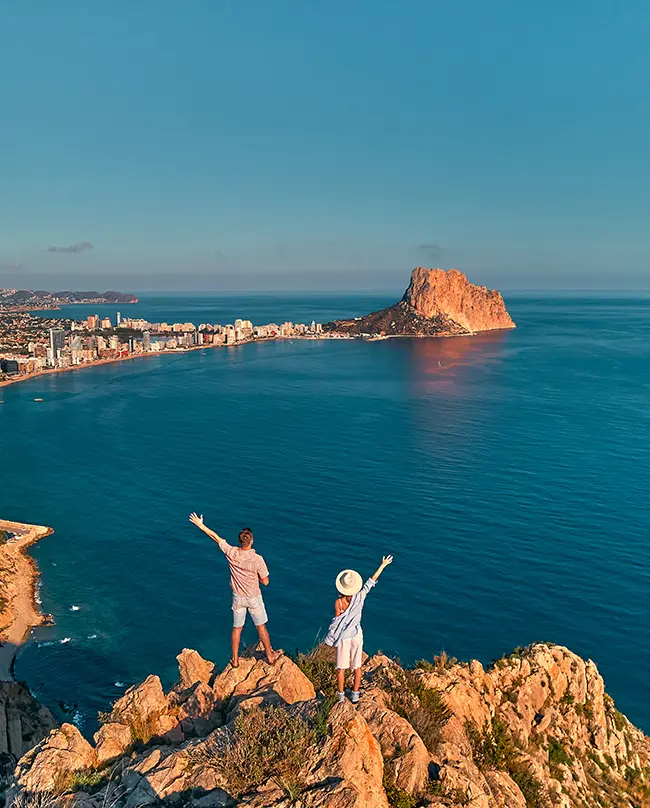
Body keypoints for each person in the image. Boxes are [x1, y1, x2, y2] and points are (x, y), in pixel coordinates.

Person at [189, 513, 280, 667]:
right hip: (253, 597)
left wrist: (200, 525)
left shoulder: (231, 552)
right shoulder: (257, 559)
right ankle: (270, 657)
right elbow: (265, 582)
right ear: (251, 541)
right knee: (261, 627)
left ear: (240, 541)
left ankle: (235, 660)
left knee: (237, 629)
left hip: (237, 597)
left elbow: (215, 537)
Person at [324, 555, 393, 703]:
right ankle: (355, 694)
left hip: (343, 638)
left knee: (341, 668)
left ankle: (341, 696)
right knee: (357, 666)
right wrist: (383, 565)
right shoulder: (360, 596)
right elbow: (371, 581)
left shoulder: (339, 602)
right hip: (356, 634)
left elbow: (337, 621)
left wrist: (331, 637)